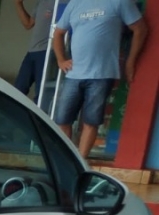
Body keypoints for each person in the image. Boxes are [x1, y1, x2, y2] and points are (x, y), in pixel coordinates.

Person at [53, 0, 148, 158]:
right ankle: (67, 160)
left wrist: (130, 61)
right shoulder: (75, 3)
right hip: (73, 74)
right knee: (62, 120)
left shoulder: (119, 2)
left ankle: (81, 162)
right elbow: (58, 33)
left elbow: (140, 29)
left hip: (102, 74)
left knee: (91, 121)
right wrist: (60, 60)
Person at [12, 0, 56, 101]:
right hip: (32, 51)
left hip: (47, 51)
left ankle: (36, 112)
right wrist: (18, 4)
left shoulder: (61, 2)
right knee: (18, 90)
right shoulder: (40, 2)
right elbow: (28, 24)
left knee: (41, 94)